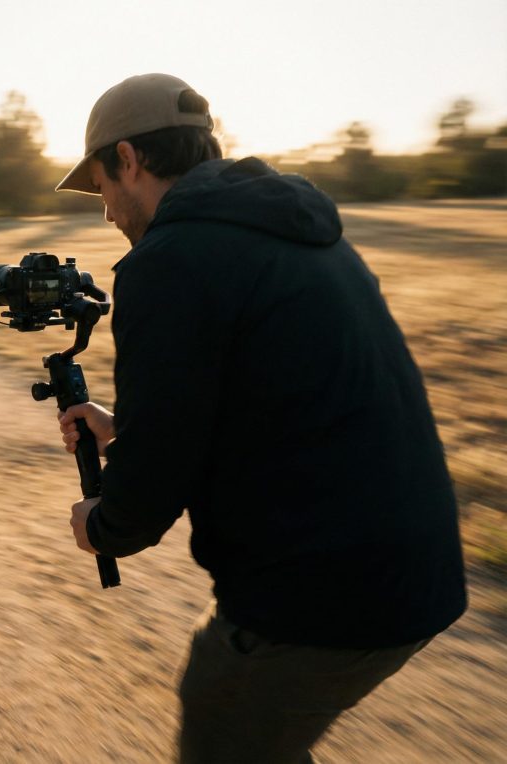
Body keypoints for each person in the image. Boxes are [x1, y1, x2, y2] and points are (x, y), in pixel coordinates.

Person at [54, 74, 467, 763]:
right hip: (412, 564)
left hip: (316, 593)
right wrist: (124, 424)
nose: (107, 214)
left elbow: (150, 490)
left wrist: (101, 526)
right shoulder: (297, 230)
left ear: (128, 159)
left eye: (102, 189)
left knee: (224, 716)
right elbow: (270, 394)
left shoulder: (171, 260)